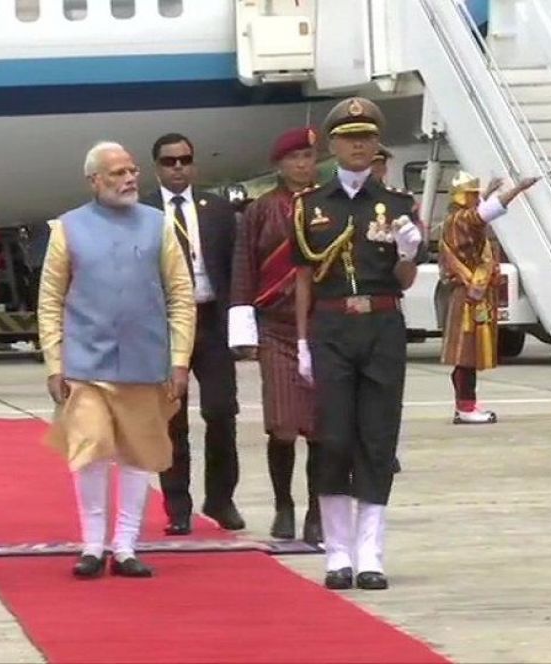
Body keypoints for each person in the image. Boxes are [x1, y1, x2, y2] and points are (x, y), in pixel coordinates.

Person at [39, 141, 195, 578]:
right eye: (117, 173)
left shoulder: (157, 225)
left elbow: (181, 295)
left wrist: (180, 358)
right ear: (94, 181)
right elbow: (50, 300)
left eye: (131, 171)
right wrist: (55, 363)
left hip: (146, 360)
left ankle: (125, 545)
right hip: (85, 361)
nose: (129, 179)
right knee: (89, 448)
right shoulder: (67, 228)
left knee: (136, 455)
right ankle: (92, 543)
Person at [292, 97, 424, 591]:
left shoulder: (397, 204)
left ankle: (370, 552)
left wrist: (409, 251)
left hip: (382, 326)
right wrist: (303, 341)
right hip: (331, 329)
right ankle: (337, 551)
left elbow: (405, 279)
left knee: (377, 438)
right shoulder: (310, 206)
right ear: (333, 145)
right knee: (334, 437)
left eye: (367, 138)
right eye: (350, 138)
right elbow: (303, 277)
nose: (359, 146)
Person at [142, 132, 243, 535]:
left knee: (221, 412)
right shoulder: (143, 212)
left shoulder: (217, 209)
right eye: (169, 162)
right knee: (172, 421)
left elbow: (236, 269)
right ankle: (177, 506)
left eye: (185, 160)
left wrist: (241, 322)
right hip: (165, 326)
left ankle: (221, 498)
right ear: (157, 168)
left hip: (211, 321)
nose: (178, 167)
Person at [229, 127, 322, 544]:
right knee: (282, 424)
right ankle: (284, 505)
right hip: (276, 325)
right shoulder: (261, 211)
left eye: (308, 156)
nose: (302, 164)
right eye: (294, 158)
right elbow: (244, 268)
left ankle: (318, 511)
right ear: (279, 164)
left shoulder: (328, 204)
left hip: (323, 326)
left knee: (321, 426)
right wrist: (243, 329)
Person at [439, 171, 538, 424]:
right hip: (468, 294)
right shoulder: (462, 220)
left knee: (467, 354)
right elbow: (483, 213)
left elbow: (479, 211)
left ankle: (466, 404)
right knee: (466, 354)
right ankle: (465, 407)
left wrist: (489, 191)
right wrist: (517, 189)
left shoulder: (454, 218)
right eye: (474, 195)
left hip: (467, 293)